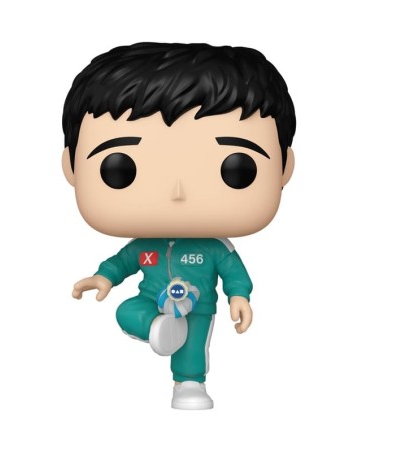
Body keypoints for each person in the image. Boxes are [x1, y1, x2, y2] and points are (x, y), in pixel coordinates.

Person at [61, 42, 296, 409]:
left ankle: (189, 384)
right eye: (120, 169)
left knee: (193, 349)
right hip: (150, 302)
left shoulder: (216, 247)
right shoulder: (145, 244)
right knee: (126, 312)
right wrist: (103, 277)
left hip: (198, 306)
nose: (178, 193)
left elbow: (234, 273)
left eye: (236, 169)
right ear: (72, 167)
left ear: (284, 168)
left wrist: (239, 297)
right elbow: (123, 262)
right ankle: (158, 331)